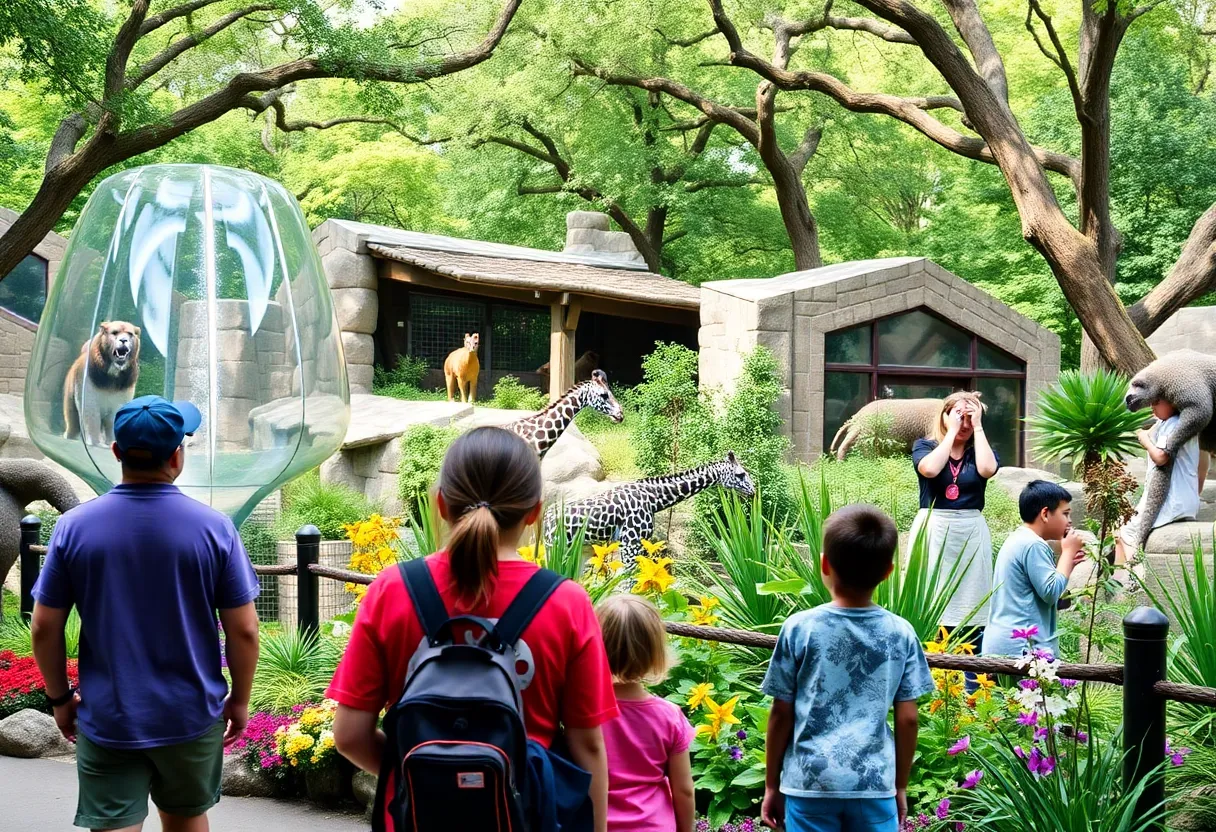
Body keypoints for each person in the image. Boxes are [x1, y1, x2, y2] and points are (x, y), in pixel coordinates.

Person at [328, 426, 618, 832]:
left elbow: (349, 736)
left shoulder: (391, 590)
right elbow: (588, 745)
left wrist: (426, 780)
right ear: (535, 511)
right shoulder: (566, 602)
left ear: (441, 504)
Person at [30, 395, 261, 832]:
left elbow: (44, 627)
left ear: (117, 452)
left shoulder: (73, 528)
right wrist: (241, 699)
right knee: (187, 819)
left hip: (109, 717)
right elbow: (245, 631)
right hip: (190, 716)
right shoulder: (215, 529)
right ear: (177, 456)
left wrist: (60, 699)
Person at [761, 505, 934, 832]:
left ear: (824, 563)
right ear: (888, 571)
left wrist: (772, 785)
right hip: (874, 785)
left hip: (809, 784)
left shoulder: (800, 628)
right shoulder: (901, 633)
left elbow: (780, 713)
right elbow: (908, 718)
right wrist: (899, 786)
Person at [596, 594, 695, 832]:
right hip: (653, 825)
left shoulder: (582, 714)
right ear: (654, 653)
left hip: (597, 822)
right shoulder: (669, 716)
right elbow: (683, 789)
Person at [911, 392, 1000, 639]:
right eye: (959, 415)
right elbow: (929, 469)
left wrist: (978, 426)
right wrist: (950, 432)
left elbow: (987, 469)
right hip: (934, 529)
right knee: (931, 596)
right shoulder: (925, 446)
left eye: (970, 416)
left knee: (972, 598)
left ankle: (972, 665)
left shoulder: (980, 450)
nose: (965, 422)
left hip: (971, 529)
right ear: (945, 416)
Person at [982, 481, 1085, 659]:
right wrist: (1067, 553)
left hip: (1005, 644)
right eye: (1065, 514)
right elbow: (1051, 592)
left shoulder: (1019, 538)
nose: (1069, 521)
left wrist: (1067, 563)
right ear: (1045, 514)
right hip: (1022, 649)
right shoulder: (1033, 545)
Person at [1114, 397, 1202, 564]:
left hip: (1171, 500)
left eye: (1156, 402)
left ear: (1174, 402)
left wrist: (1145, 440)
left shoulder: (1175, 424)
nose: (1151, 407)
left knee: (1126, 532)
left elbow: (1161, 457)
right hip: (1184, 499)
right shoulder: (1173, 422)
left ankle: (1132, 579)